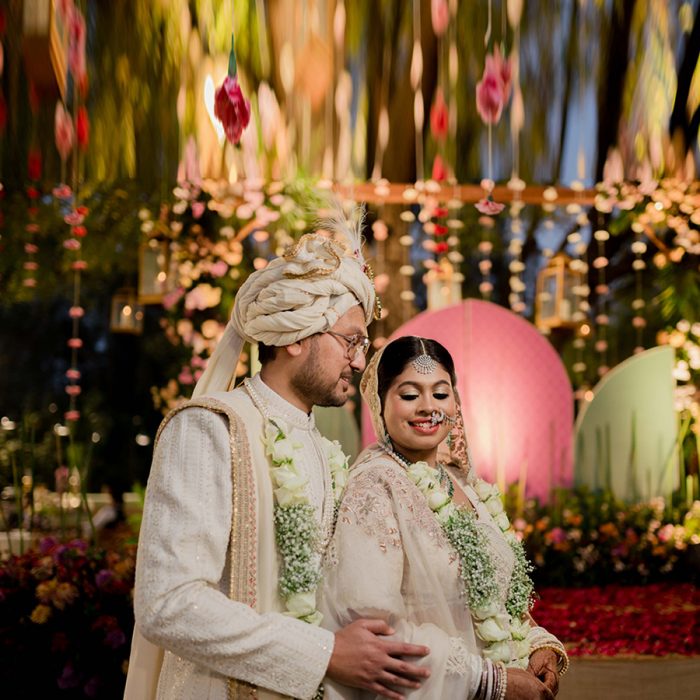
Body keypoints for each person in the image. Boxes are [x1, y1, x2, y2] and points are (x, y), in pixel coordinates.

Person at [124, 211, 431, 700]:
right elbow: (169, 603)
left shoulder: (325, 450)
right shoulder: (209, 428)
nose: (359, 359)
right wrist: (324, 653)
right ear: (294, 337)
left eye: (363, 344)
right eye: (350, 340)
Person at [321, 336, 569, 699]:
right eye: (409, 395)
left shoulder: (462, 483)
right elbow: (374, 628)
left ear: (456, 401)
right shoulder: (375, 486)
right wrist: (490, 682)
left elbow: (498, 596)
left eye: (440, 394)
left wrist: (537, 644)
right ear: (380, 403)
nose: (428, 408)